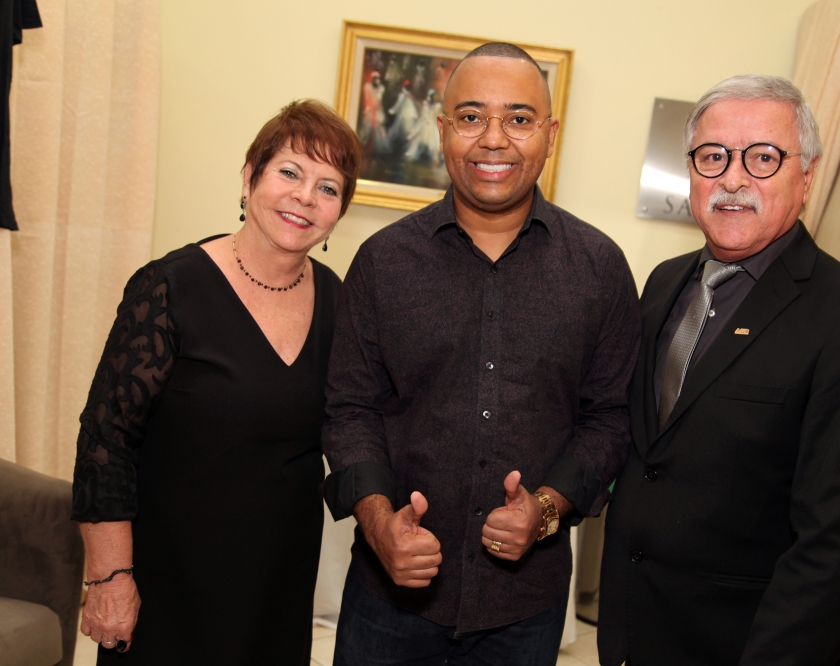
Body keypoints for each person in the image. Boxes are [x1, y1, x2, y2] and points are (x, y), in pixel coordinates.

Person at [322, 43, 640, 665]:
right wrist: (380, 523)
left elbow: (610, 417)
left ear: (550, 135)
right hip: (387, 603)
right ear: (443, 130)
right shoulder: (383, 262)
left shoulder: (600, 268)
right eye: (471, 117)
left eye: (519, 119)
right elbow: (349, 409)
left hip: (524, 610)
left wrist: (545, 509)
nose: (493, 139)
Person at [598, 75, 840, 666]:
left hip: (746, 647)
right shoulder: (664, 282)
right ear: (691, 171)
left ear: (807, 177)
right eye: (713, 156)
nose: (733, 179)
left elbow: (837, 545)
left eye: (763, 158)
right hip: (634, 635)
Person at [71, 99, 361, 665]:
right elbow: (105, 442)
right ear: (250, 177)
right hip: (166, 583)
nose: (305, 197)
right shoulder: (168, 287)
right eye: (290, 172)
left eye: (328, 188)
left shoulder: (340, 303)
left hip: (277, 589)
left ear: (338, 213)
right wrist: (109, 578)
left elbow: (357, 424)